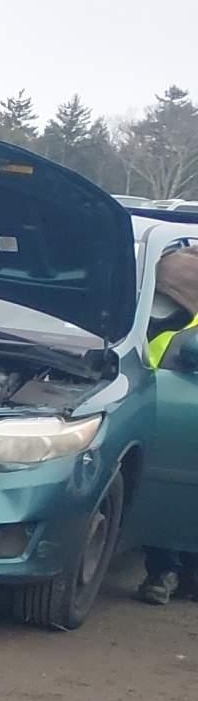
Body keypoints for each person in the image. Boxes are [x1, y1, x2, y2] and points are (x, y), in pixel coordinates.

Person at [135, 242, 198, 605]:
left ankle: (169, 572)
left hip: (172, 410)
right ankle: (171, 571)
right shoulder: (156, 306)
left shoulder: (176, 322)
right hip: (162, 408)